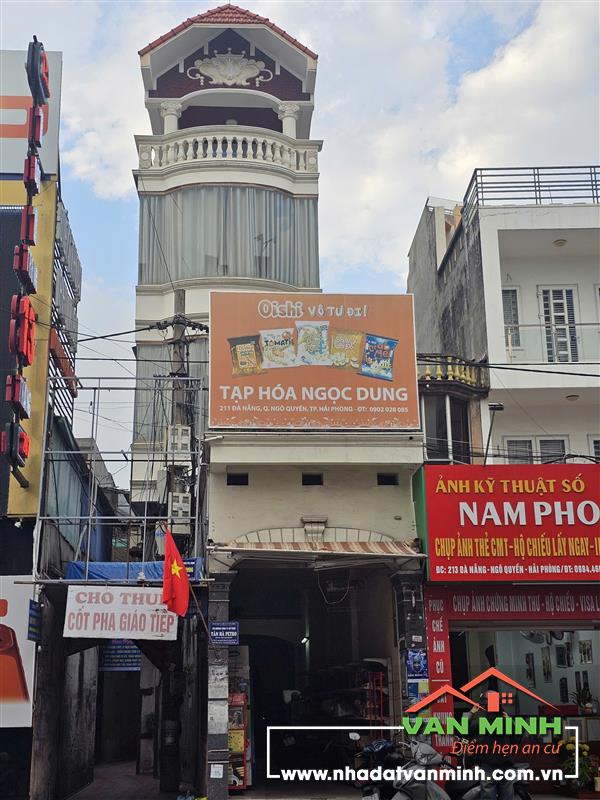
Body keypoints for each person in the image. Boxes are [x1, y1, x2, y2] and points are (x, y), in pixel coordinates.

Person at [466, 691, 514, 800]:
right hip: (505, 766)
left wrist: (471, 713)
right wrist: (511, 721)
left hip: (487, 766)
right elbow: (517, 739)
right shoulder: (507, 722)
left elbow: (462, 730)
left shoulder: (480, 723)